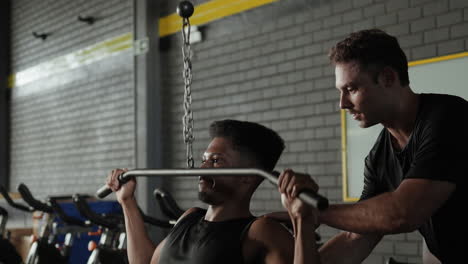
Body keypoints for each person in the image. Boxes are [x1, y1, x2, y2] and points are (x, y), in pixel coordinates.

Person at [277, 28, 468, 263]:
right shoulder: (378, 159)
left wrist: (318, 212)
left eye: (351, 89)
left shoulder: (449, 118)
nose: (342, 104)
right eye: (340, 91)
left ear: (388, 78)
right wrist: (302, 218)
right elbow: (354, 237)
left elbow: (404, 212)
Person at [106, 119, 321, 264]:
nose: (203, 169)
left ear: (248, 175)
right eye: (203, 161)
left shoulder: (260, 231)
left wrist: (302, 219)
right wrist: (127, 201)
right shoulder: (190, 217)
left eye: (216, 161)